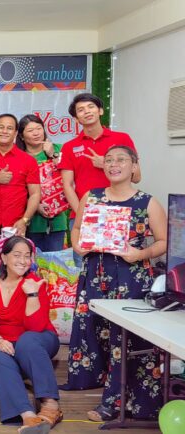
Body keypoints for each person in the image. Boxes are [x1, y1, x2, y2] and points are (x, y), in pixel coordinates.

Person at [63, 145, 167, 422]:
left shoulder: (147, 202)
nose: (114, 164)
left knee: (126, 341)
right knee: (91, 333)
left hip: (130, 278)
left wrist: (140, 254)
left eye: (121, 159)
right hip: (94, 274)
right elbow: (76, 229)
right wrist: (79, 246)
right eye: (109, 160)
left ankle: (115, 402)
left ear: (134, 166)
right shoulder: (92, 197)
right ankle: (90, 383)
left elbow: (163, 242)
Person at [0, 236, 62, 434]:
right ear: (3, 258)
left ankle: (50, 404)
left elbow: (35, 327)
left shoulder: (35, 283)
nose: (23, 261)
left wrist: (32, 295)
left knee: (27, 341)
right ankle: (28, 416)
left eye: (27, 256)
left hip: (39, 339)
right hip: (6, 341)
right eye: (17, 255)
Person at [58, 93, 140, 217]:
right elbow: (67, 185)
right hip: (84, 214)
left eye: (91, 106)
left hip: (119, 213)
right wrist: (81, 214)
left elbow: (136, 177)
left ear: (100, 111)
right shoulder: (69, 147)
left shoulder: (122, 138)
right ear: (76, 119)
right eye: (81, 110)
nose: (87, 111)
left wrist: (107, 164)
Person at [0, 114, 41, 244]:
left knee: (16, 263)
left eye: (9, 128)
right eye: (1, 127)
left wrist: (24, 220)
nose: (5, 131)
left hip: (16, 227)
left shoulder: (28, 160)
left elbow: (35, 194)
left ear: (16, 132)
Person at [15, 114, 68, 252]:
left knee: (57, 268)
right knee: (33, 265)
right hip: (30, 221)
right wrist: (34, 204)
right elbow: (16, 187)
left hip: (58, 221)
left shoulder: (59, 149)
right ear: (21, 136)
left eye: (39, 128)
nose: (36, 133)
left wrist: (52, 155)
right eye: (30, 130)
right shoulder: (19, 157)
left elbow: (70, 177)